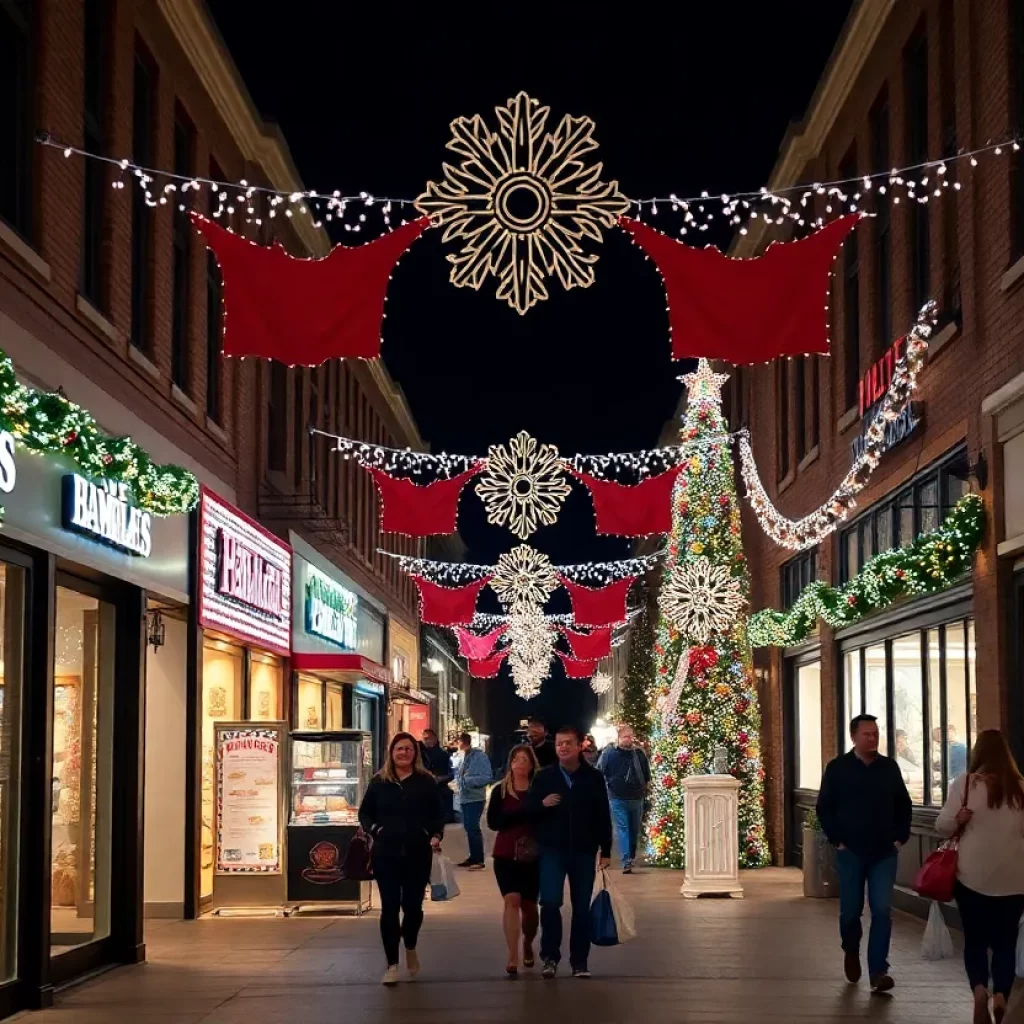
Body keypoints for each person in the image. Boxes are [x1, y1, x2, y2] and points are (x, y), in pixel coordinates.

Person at [816, 714, 912, 994]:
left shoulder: (889, 768)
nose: (873, 738)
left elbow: (903, 805)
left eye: (876, 733)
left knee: (882, 910)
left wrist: (899, 838)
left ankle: (878, 970)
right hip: (851, 852)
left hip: (884, 852)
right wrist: (838, 841)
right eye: (867, 734)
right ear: (854, 737)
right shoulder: (838, 769)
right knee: (850, 912)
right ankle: (850, 948)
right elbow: (825, 807)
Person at [936, 729, 1024, 1024]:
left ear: (978, 753)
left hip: (971, 876)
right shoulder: (1021, 788)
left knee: (974, 940)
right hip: (1013, 879)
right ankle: (1001, 994)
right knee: (1005, 942)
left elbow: (942, 826)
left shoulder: (965, 785)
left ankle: (978, 992)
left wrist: (959, 818)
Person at [358, 731, 444, 987]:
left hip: (418, 851)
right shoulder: (379, 781)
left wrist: (436, 834)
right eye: (399, 749)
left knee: (413, 907)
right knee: (390, 907)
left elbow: (437, 813)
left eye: (408, 749)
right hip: (387, 853)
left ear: (415, 753)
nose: (403, 753)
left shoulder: (425, 781)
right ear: (391, 753)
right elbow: (365, 814)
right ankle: (392, 964)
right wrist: (376, 830)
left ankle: (410, 945)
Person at [529, 726, 612, 979]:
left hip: (584, 850)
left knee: (581, 907)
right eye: (559, 744)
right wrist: (541, 805)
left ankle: (579, 961)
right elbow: (530, 810)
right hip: (552, 850)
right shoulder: (545, 777)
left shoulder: (593, 777)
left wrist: (605, 849)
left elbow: (602, 814)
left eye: (568, 743)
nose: (563, 747)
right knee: (551, 903)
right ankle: (550, 957)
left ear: (579, 746)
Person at [486, 744, 542, 976]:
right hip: (506, 853)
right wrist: (524, 812)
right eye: (516, 760)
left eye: (525, 760)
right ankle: (512, 956)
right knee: (512, 900)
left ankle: (528, 941)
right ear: (510, 763)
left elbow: (545, 817)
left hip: (532, 856)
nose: (520, 764)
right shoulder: (501, 790)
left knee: (529, 907)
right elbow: (494, 822)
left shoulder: (538, 790)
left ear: (531, 765)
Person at [596, 724, 651, 873]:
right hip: (617, 797)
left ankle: (630, 855)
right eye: (625, 736)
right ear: (618, 738)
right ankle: (626, 860)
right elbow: (600, 771)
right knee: (622, 828)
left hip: (636, 798)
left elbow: (647, 774)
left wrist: (645, 787)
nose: (628, 739)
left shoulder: (639, 754)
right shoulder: (609, 753)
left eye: (630, 736)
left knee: (634, 829)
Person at [455, 732, 492, 869]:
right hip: (465, 797)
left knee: (473, 827)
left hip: (475, 797)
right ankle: (473, 857)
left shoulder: (479, 757)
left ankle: (478, 859)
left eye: (458, 742)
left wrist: (466, 781)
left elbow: (487, 777)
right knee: (468, 828)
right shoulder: (464, 757)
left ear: (463, 742)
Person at [420, 728, 455, 822]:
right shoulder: (420, 754)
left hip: (440, 789)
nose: (426, 741)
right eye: (424, 739)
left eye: (428, 738)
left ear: (435, 739)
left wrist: (439, 778)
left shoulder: (444, 755)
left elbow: (451, 773)